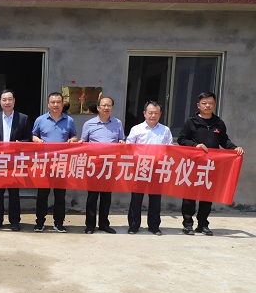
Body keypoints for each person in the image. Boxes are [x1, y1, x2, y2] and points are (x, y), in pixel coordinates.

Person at [178, 91, 245, 236]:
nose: (207, 106)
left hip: (210, 166)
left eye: (211, 103)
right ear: (198, 105)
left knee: (207, 196)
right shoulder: (191, 122)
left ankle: (203, 224)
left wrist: (234, 148)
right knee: (189, 196)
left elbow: (224, 140)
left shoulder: (218, 123)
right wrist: (195, 145)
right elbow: (181, 139)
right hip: (193, 165)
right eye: (204, 103)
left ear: (214, 105)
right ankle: (187, 224)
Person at [0, 90, 32, 232]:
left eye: (10, 99)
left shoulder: (23, 118)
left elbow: (29, 140)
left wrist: (20, 143)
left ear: (14, 101)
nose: (7, 102)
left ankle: (15, 221)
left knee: (14, 193)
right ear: (0, 102)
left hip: (15, 162)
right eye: (4, 100)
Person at [32, 91, 78, 233]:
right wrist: (38, 140)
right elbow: (33, 135)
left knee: (60, 196)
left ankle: (59, 223)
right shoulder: (40, 120)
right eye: (53, 102)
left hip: (61, 163)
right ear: (48, 104)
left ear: (62, 104)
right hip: (44, 163)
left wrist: (72, 140)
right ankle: (40, 222)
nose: (56, 105)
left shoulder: (69, 120)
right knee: (42, 195)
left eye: (58, 102)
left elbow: (75, 136)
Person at [126, 101, 173, 235]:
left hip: (158, 168)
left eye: (156, 113)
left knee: (155, 199)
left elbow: (170, 148)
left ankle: (154, 226)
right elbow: (129, 147)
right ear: (144, 113)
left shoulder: (165, 130)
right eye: (150, 113)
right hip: (140, 167)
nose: (153, 116)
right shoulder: (136, 129)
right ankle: (134, 225)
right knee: (136, 198)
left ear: (160, 114)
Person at [80, 96, 125, 234]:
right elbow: (83, 142)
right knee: (92, 196)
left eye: (109, 106)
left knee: (106, 196)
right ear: (98, 107)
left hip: (110, 165)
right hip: (94, 165)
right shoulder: (89, 124)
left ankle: (104, 224)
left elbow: (121, 139)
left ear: (112, 108)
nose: (106, 108)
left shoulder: (117, 123)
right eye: (104, 105)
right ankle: (90, 225)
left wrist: (122, 142)